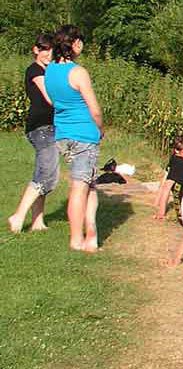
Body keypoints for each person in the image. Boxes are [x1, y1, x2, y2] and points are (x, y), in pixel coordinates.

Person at [45, 25, 103, 253]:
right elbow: (95, 110)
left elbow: (53, 100)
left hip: (63, 134)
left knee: (89, 184)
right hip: (84, 135)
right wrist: (100, 128)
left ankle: (92, 234)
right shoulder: (78, 72)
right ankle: (76, 239)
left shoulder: (49, 70)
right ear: (76, 43)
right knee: (80, 187)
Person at [7, 33, 57, 234]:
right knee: (48, 175)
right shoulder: (35, 70)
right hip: (41, 127)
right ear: (36, 50)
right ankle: (18, 215)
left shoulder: (49, 70)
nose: (48, 54)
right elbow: (50, 97)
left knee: (43, 172)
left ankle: (37, 221)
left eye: (51, 50)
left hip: (49, 127)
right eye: (44, 49)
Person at [153, 134, 183, 220]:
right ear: (176, 150)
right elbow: (167, 186)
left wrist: (156, 202)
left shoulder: (174, 158)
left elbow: (164, 178)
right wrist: (161, 212)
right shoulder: (179, 162)